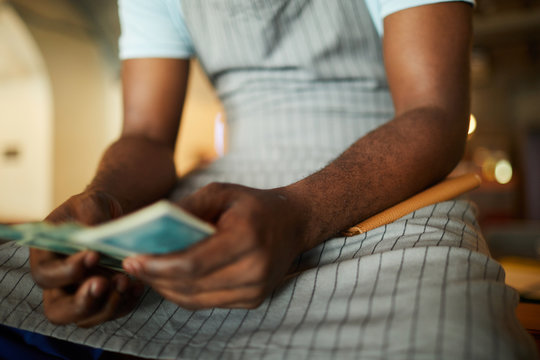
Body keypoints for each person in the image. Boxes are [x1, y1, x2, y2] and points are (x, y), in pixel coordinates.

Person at [0, 0, 537, 358]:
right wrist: (105, 202)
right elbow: (144, 134)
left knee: (459, 343)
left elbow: (433, 111)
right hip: (226, 183)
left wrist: (300, 212)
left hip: (394, 180)